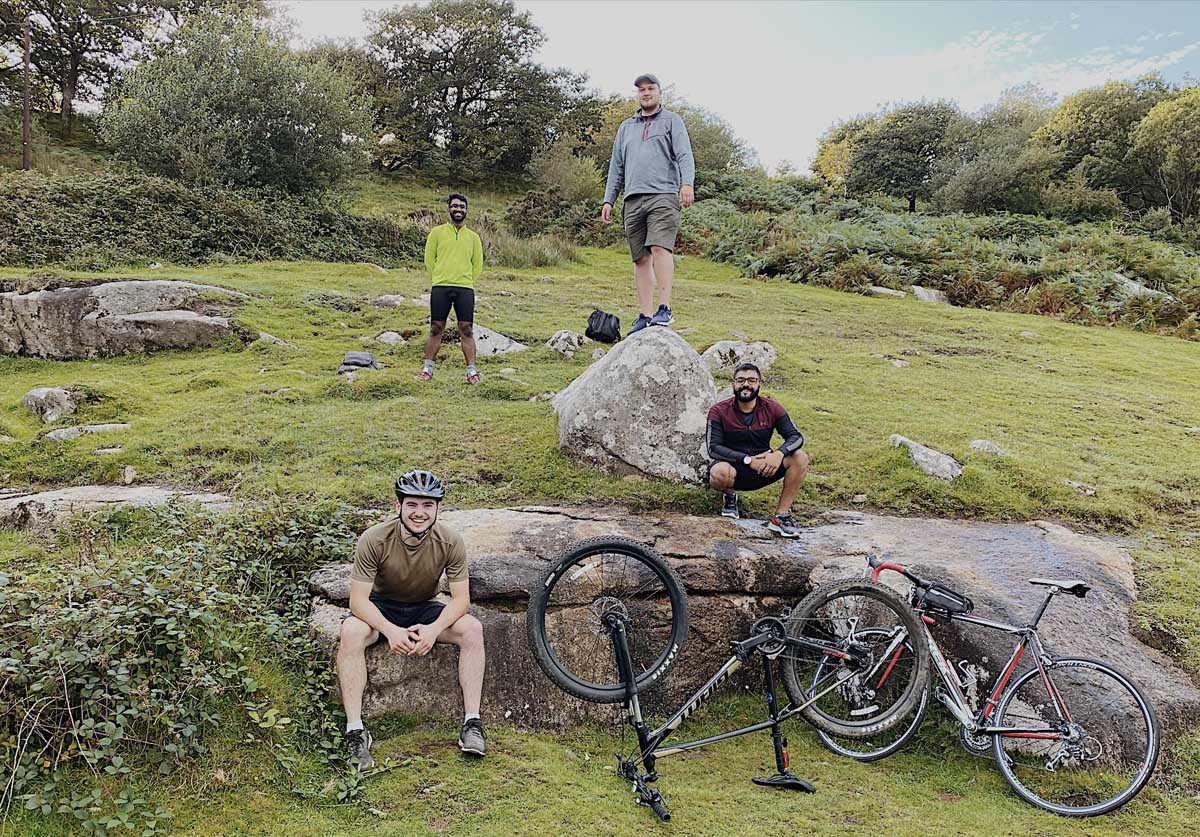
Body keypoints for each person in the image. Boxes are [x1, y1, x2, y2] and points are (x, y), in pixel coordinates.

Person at [337, 469, 487, 768]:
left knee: (472, 629)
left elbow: (461, 600)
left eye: (428, 505)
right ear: (398, 507)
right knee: (352, 632)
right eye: (413, 505)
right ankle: (355, 731)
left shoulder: (450, 541)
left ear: (438, 509)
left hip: (423, 606)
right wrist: (391, 631)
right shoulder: (374, 539)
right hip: (380, 608)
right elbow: (357, 601)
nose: (420, 513)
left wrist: (433, 629)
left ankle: (472, 724)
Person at [601, 73, 695, 336]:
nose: (645, 93)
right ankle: (645, 314)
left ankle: (664, 309)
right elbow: (616, 167)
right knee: (640, 258)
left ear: (659, 92)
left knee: (660, 246)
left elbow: (685, 155)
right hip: (632, 198)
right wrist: (609, 199)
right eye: (641, 89)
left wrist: (686, 183)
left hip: (663, 194)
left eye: (650, 88)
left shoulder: (672, 121)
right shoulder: (625, 128)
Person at [706, 363, 809, 537]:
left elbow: (796, 437)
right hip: (734, 468)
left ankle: (781, 517)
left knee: (800, 457)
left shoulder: (772, 407)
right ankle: (730, 497)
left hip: (766, 467)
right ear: (733, 384)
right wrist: (747, 460)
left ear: (759, 384)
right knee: (718, 472)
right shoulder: (719, 410)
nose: (746, 385)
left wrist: (778, 454)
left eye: (752, 380)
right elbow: (713, 448)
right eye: (740, 380)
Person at [417, 194, 485, 384]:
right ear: (449, 209)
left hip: (465, 289)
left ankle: (471, 372)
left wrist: (466, 279)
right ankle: (427, 369)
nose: (458, 209)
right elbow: (429, 259)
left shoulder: (473, 237)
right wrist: (440, 276)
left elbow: (477, 264)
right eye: (454, 206)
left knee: (467, 329)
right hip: (441, 287)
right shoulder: (437, 233)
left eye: (462, 207)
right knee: (435, 328)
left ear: (466, 210)